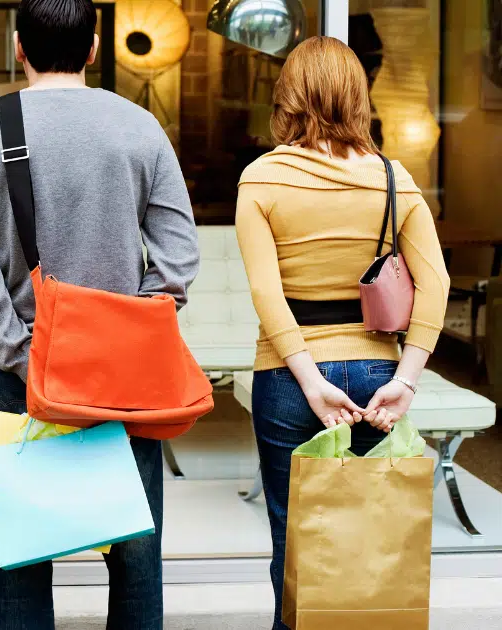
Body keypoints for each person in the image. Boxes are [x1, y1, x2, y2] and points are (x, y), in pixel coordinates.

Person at [0, 1, 199, 627]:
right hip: (123, 375)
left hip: (22, 370)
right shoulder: (139, 127)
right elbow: (178, 257)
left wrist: (15, 348)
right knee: (135, 553)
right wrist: (124, 332)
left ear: (19, 46)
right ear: (94, 47)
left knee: (23, 552)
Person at [234, 36, 450, 630]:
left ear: (289, 96)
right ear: (359, 96)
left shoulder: (260, 179)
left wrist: (309, 380)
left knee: (295, 540)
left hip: (286, 378)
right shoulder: (393, 178)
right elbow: (436, 284)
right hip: (377, 375)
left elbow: (264, 294)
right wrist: (406, 380)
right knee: (371, 540)